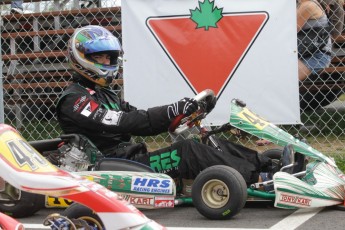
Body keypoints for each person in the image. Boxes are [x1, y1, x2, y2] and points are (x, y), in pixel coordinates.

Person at [56, 25, 276, 194]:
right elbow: (126, 121)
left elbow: (140, 118)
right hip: (108, 167)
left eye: (108, 57)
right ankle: (258, 179)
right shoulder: (74, 99)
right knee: (186, 150)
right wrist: (171, 110)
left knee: (202, 140)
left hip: (130, 158)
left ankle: (269, 166)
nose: (105, 61)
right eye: (98, 57)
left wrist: (179, 115)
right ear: (81, 58)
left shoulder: (107, 94)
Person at [297, 0, 333, 80]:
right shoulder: (301, 4)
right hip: (304, 52)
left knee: (284, 78)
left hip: (317, 55)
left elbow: (291, 30)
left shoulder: (308, 5)